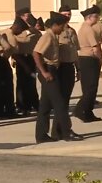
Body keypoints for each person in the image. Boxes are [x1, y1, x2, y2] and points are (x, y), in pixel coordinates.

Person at [33, 11, 83, 143]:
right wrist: (44, 72)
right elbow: (36, 53)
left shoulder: (54, 36)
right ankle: (66, 132)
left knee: (45, 105)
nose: (63, 29)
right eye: (61, 26)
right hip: (48, 70)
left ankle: (41, 135)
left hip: (53, 69)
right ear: (55, 25)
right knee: (59, 103)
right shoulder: (48, 36)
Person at [51, 5, 82, 140]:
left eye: (69, 14)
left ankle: (59, 130)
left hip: (70, 67)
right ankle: (63, 130)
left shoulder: (72, 31)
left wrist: (78, 68)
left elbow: (74, 51)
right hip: (60, 68)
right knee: (61, 101)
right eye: (64, 14)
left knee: (65, 100)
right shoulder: (55, 31)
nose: (67, 16)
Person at [74, 5, 102, 122]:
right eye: (96, 17)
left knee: (89, 88)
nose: (97, 19)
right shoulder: (88, 29)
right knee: (91, 88)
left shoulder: (83, 28)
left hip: (84, 59)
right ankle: (80, 109)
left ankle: (88, 111)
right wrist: (100, 57)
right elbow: (95, 47)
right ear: (90, 17)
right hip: (89, 59)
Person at [0, 17, 30, 118]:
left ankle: (0, 111)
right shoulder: (9, 36)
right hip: (2, 62)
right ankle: (9, 111)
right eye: (20, 30)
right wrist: (25, 66)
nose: (20, 33)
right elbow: (12, 51)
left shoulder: (2, 32)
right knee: (7, 88)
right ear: (17, 27)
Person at [13, 13, 41, 116]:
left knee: (27, 83)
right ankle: (24, 105)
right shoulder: (25, 33)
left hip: (28, 58)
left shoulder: (34, 34)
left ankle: (27, 105)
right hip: (23, 59)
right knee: (23, 83)